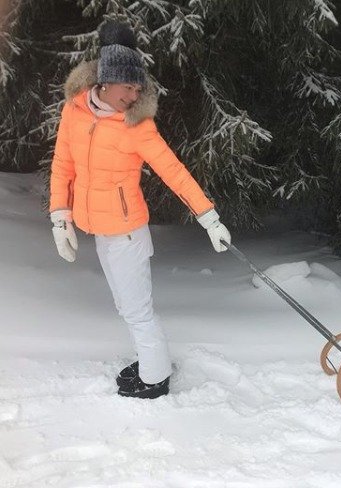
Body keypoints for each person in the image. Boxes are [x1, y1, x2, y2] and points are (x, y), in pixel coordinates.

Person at [48, 20, 231, 399]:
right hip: (99, 230)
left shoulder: (137, 125)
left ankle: (155, 378)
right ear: (105, 81)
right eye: (128, 87)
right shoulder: (75, 111)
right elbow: (62, 165)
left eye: (137, 88)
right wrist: (59, 217)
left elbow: (173, 172)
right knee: (124, 304)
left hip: (128, 233)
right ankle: (153, 362)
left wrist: (209, 218)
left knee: (137, 310)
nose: (133, 95)